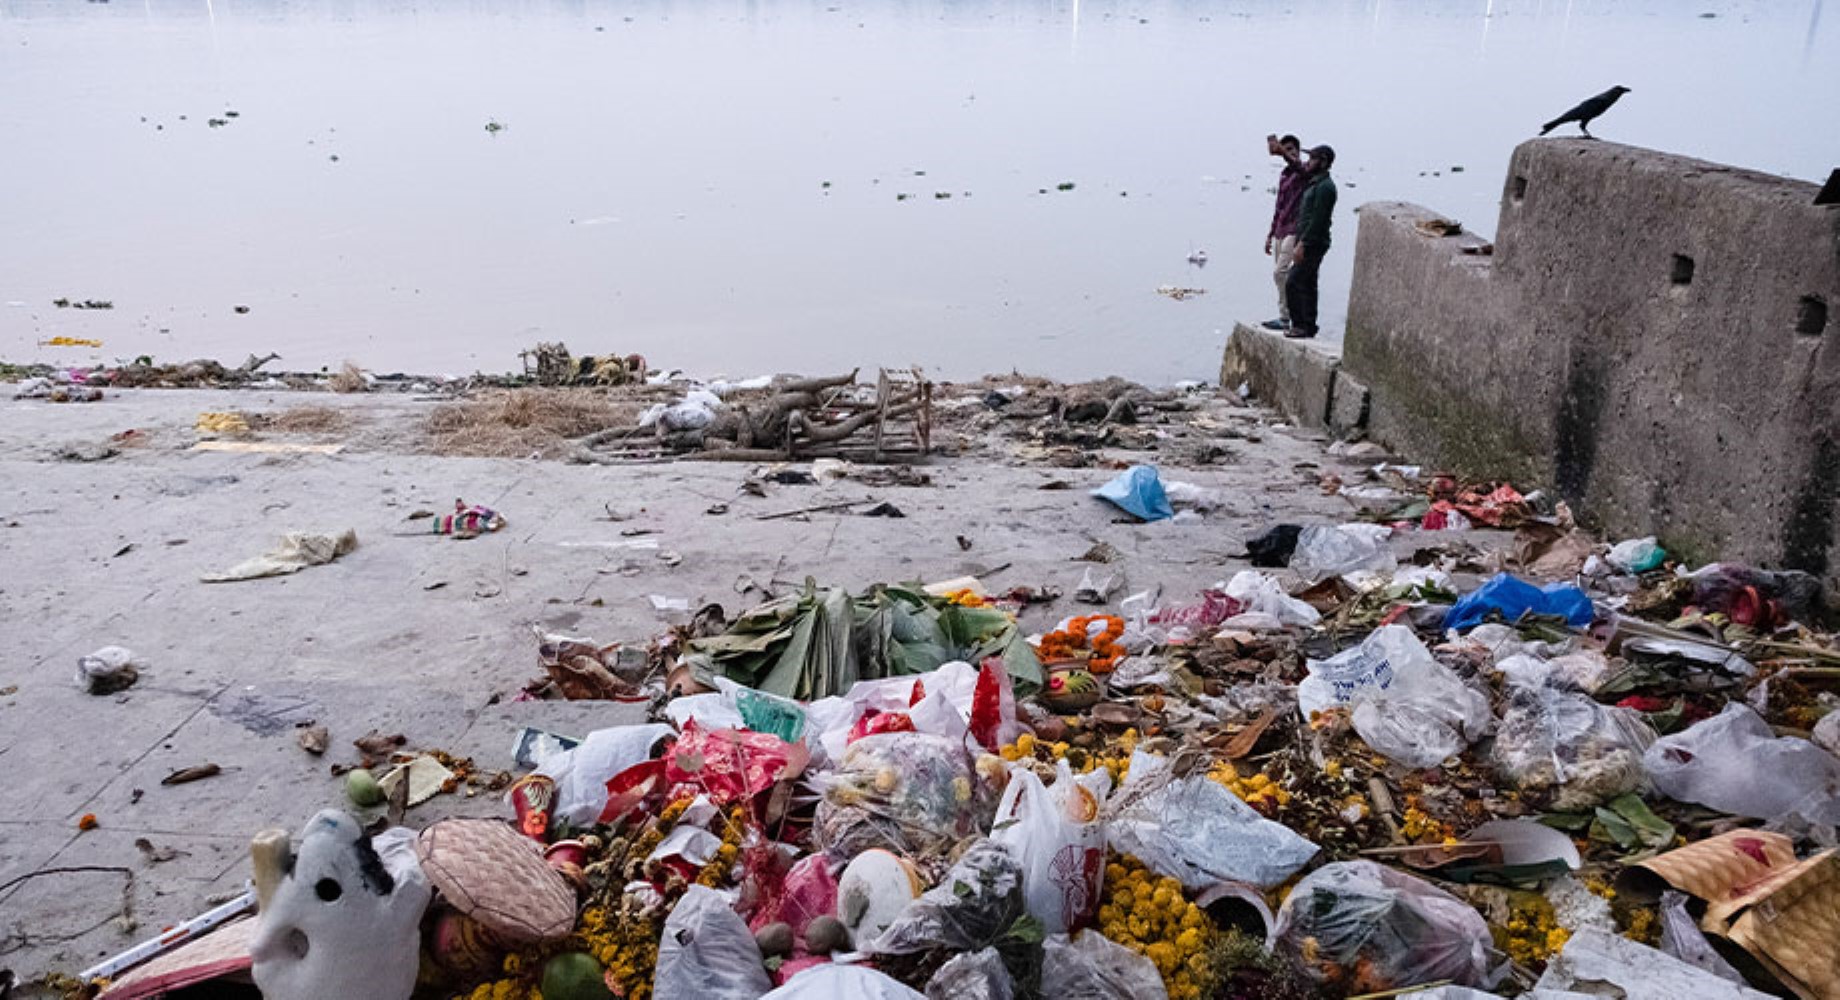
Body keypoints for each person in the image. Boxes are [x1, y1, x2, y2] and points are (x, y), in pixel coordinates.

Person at [1284, 144, 1337, 340]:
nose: (1309, 162)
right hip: (1308, 240)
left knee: (1293, 282)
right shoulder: (1316, 182)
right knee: (1308, 283)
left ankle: (1299, 325)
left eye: (1313, 159)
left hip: (1313, 242)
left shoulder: (1326, 188)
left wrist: (1302, 244)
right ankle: (1309, 325)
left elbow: (1318, 220)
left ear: (1323, 162)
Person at [1261, 134, 1308, 331]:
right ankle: (1285, 316)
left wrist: (1282, 151)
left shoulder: (1303, 172)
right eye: (1286, 150)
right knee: (1280, 275)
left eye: (1292, 150)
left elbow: (1298, 166)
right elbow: (1279, 206)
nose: (1290, 153)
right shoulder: (1285, 175)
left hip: (1294, 229)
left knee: (1280, 272)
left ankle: (1292, 315)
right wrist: (1270, 234)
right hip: (1281, 229)